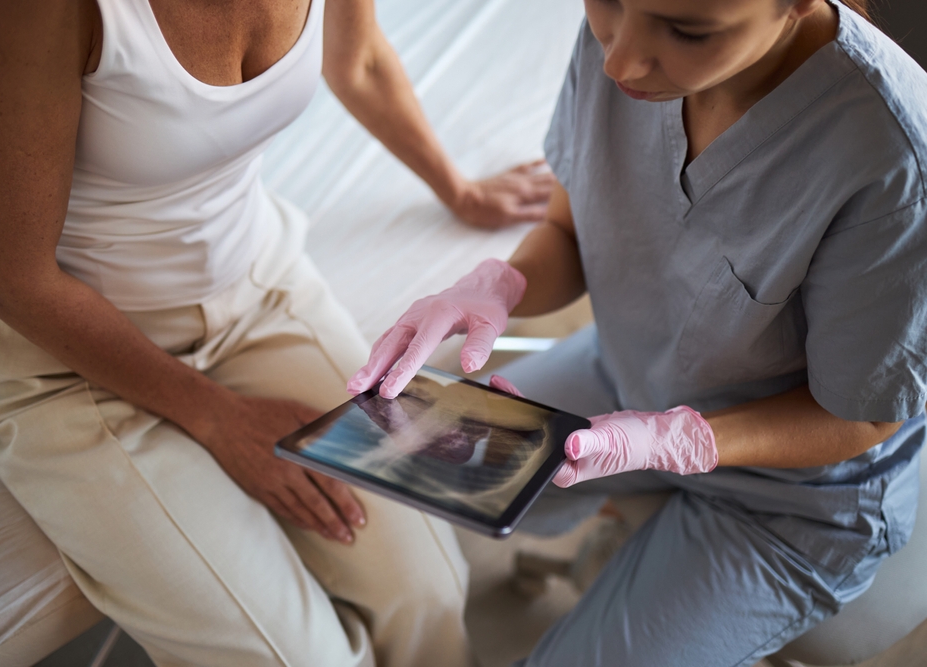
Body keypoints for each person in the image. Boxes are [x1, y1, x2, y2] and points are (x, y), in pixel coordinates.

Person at [0, 0, 555, 665]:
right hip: (66, 363)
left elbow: (361, 57)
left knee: (430, 592)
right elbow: (13, 280)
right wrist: (217, 417)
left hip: (256, 291)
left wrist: (459, 189)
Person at [348, 0, 927, 663]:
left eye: (687, 30)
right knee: (384, 462)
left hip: (792, 498)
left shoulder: (895, 161)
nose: (621, 59)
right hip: (625, 373)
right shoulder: (626, 36)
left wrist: (678, 439)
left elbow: (862, 418)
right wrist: (498, 285)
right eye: (608, 2)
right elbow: (569, 230)